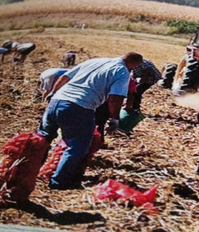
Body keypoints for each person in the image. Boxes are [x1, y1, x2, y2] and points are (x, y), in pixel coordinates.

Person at [39, 52, 143, 189]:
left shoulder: (94, 61)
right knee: (78, 146)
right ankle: (59, 182)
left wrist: (53, 93)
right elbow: (115, 98)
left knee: (42, 139)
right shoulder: (122, 72)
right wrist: (114, 119)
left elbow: (65, 76)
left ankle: (28, 171)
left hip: (57, 101)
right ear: (134, 64)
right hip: (79, 106)